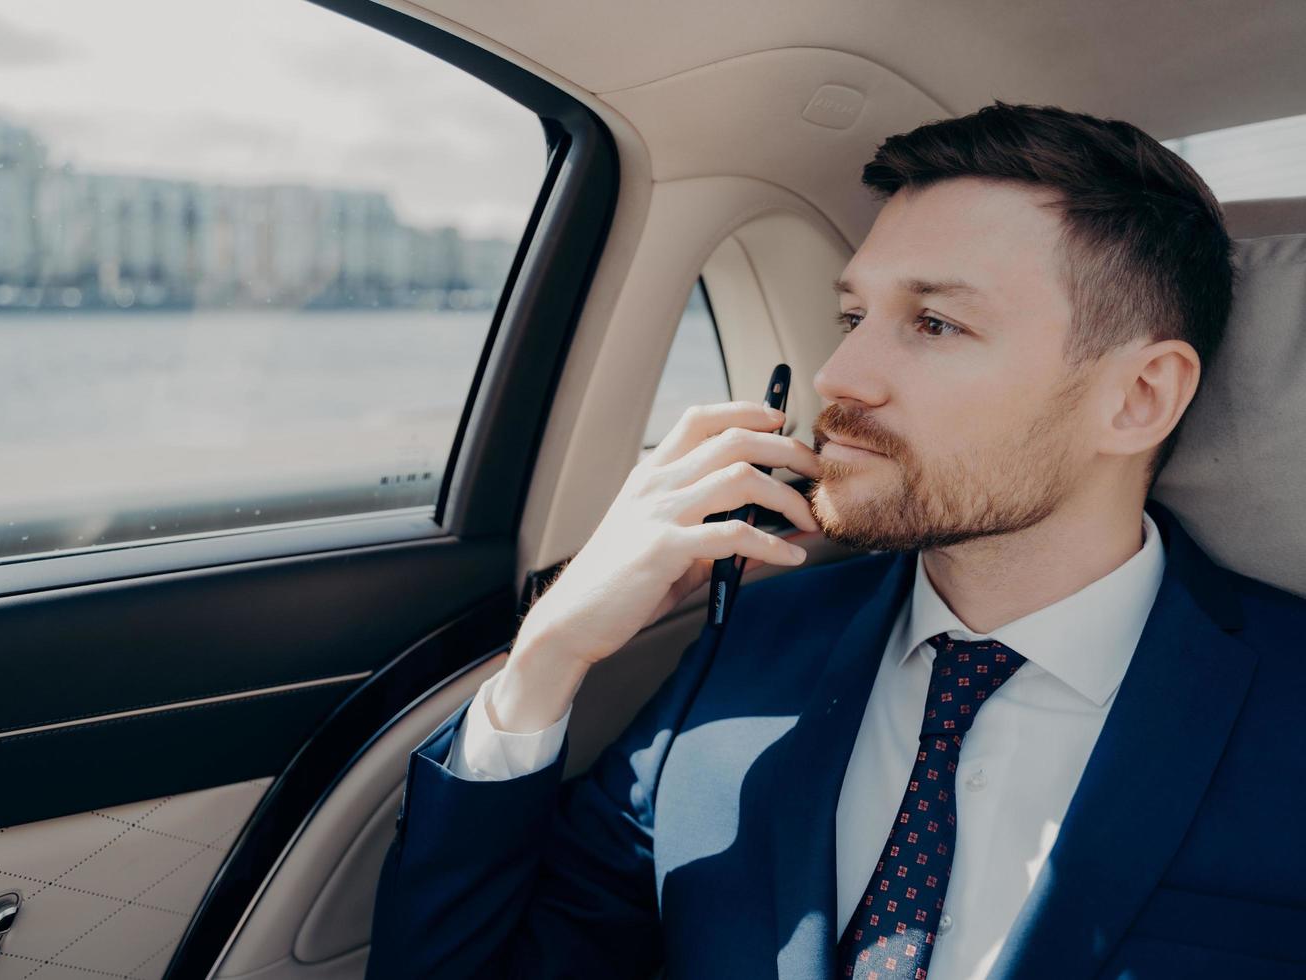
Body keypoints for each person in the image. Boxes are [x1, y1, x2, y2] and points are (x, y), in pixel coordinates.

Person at [365, 101, 1306, 979]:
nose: (839, 374)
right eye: (853, 316)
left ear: (1137, 397)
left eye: (934, 322)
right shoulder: (742, 652)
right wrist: (550, 654)